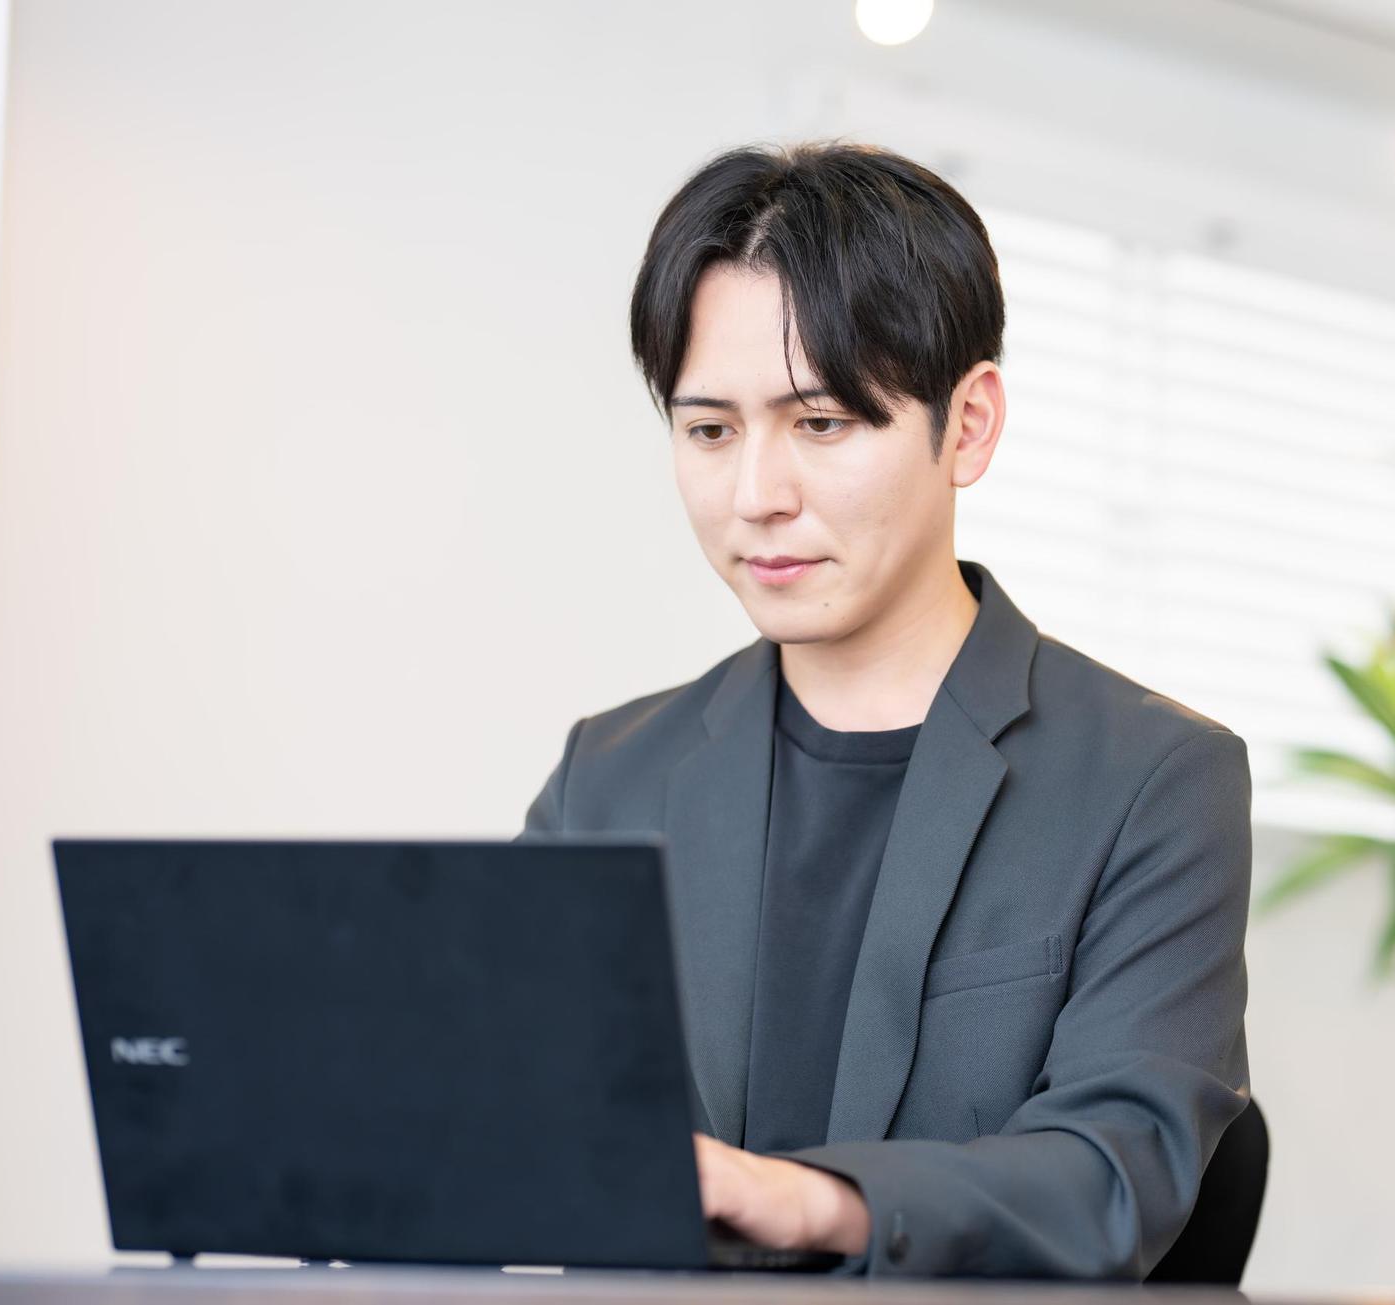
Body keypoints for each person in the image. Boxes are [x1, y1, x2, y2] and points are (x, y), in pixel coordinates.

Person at [521, 139, 1253, 1279]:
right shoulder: (606, 776)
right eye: (710, 430)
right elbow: (502, 1118)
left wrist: (811, 1201)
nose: (757, 496)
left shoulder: (1155, 780)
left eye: (821, 423)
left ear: (968, 425)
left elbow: (1115, 1173)